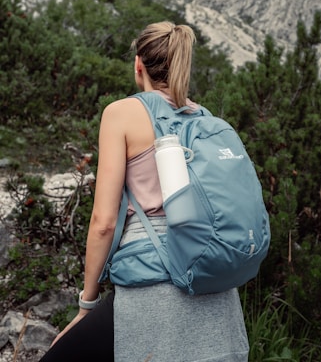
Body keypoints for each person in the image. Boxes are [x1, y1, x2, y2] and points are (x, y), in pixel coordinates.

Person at [39, 21, 249, 362]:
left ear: (139, 65)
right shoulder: (207, 120)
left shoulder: (121, 113)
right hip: (217, 290)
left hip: (153, 283)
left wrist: (86, 304)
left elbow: (104, 222)